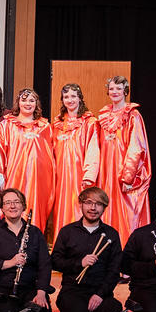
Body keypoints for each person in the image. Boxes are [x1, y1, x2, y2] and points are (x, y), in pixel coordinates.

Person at [51, 187, 126, 312]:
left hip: (100, 292)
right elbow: (55, 261)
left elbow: (114, 270)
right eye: (89, 202)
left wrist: (100, 294)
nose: (93, 208)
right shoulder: (68, 231)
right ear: (81, 204)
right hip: (72, 291)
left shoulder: (111, 234)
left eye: (99, 204)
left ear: (104, 208)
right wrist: (79, 262)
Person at [96, 75, 152, 244]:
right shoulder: (103, 115)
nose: (115, 92)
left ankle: (126, 250)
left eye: (119, 88)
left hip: (123, 172)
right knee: (108, 208)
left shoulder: (133, 115)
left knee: (127, 212)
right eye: (112, 88)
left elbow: (136, 146)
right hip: (107, 172)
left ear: (125, 91)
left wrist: (128, 177)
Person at [0, 88, 55, 235]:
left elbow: (51, 155)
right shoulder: (6, 125)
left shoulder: (45, 127)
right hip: (14, 178)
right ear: (18, 103)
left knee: (35, 211)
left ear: (36, 104)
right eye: (24, 100)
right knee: (12, 206)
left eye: (31, 100)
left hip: (38, 183)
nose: (28, 103)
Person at [51, 83, 100, 229]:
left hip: (80, 176)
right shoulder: (57, 124)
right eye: (66, 97)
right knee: (62, 207)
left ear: (80, 98)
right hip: (61, 178)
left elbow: (93, 150)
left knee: (80, 207)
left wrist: (89, 175)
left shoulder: (90, 122)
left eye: (73, 96)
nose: (69, 100)